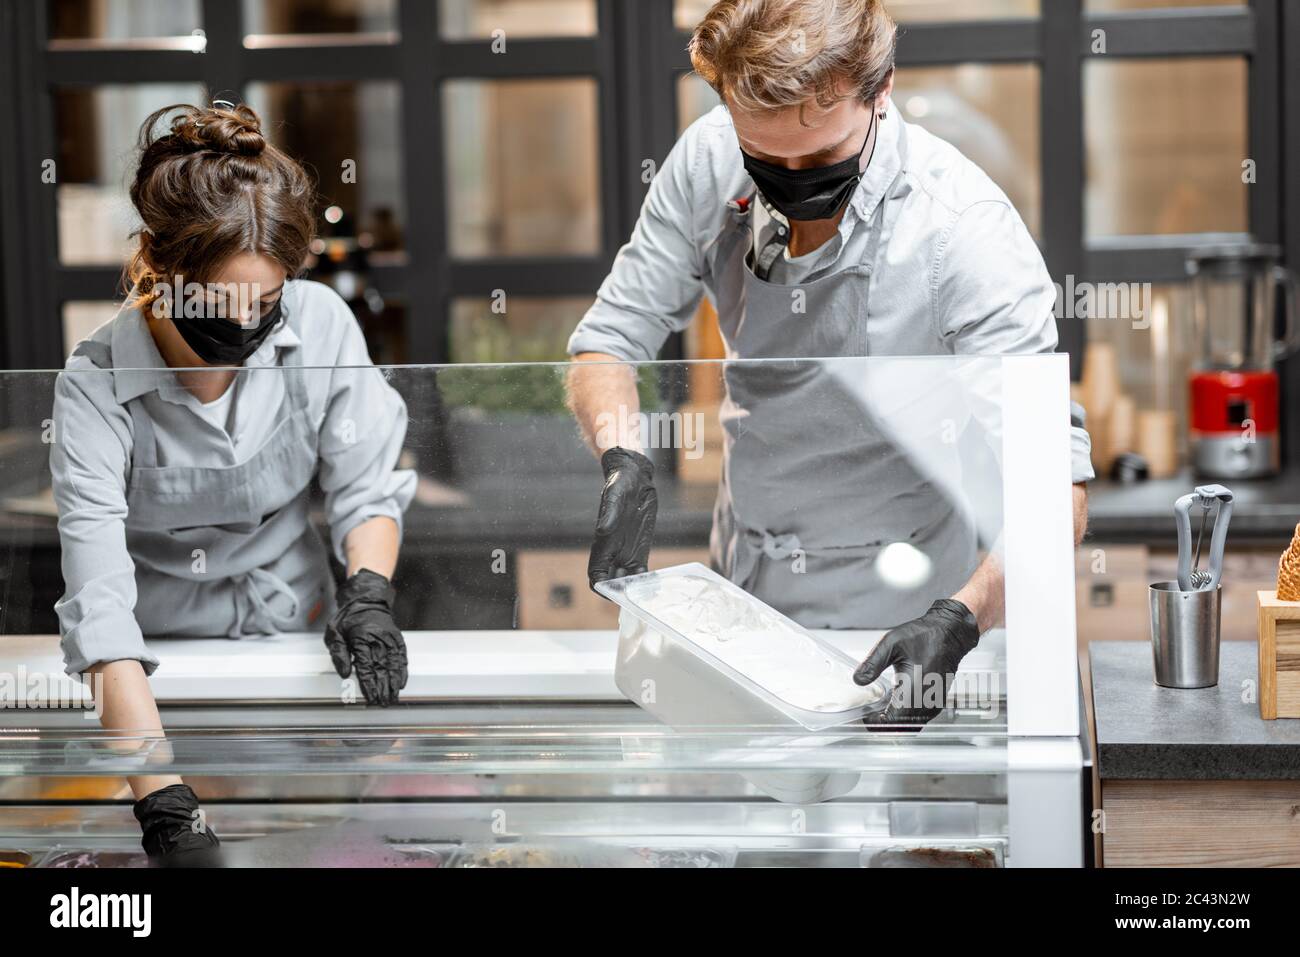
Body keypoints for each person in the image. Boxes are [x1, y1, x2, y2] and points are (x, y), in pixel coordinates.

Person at [567, 0, 1092, 726]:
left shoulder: (963, 234)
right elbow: (609, 339)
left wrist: (961, 619)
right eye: (765, 160)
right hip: (740, 601)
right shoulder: (709, 158)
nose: (789, 180)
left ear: (881, 92)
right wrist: (622, 452)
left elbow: (1053, 494)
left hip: (897, 622)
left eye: (817, 159)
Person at [50, 102, 416, 862]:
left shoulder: (318, 325)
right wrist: (167, 807)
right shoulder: (92, 386)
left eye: (268, 302)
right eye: (223, 305)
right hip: (162, 691)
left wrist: (370, 588)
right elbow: (102, 611)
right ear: (161, 261)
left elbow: (364, 490)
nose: (250, 327)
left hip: (304, 655)